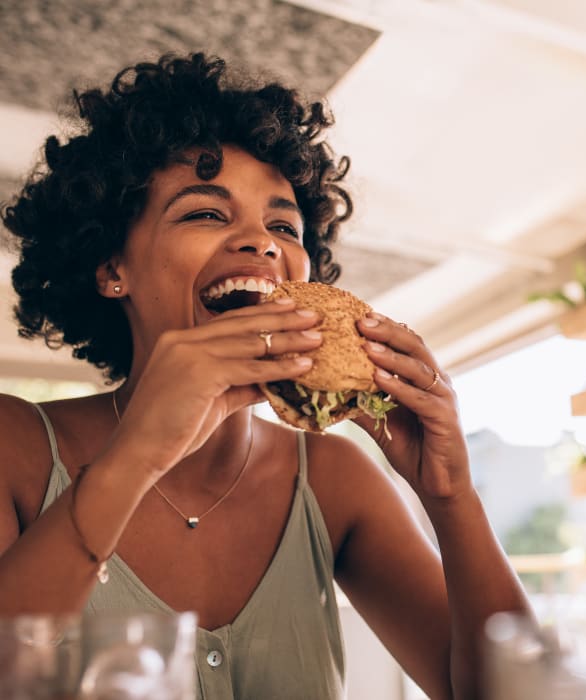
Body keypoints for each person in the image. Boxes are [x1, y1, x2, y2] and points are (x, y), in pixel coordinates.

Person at [0, 53, 532, 699]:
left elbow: (513, 692)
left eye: (283, 224)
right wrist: (136, 457)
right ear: (113, 267)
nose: (264, 243)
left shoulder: (335, 479)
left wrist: (453, 500)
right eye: (205, 213)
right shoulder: (16, 446)